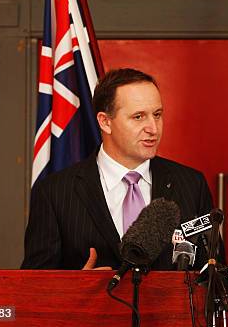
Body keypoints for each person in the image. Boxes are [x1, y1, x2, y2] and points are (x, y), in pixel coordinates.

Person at [21, 68, 215, 270]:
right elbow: (34, 287)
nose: (153, 128)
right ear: (105, 122)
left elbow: (213, 276)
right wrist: (76, 288)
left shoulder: (192, 184)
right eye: (138, 117)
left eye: (157, 115)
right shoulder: (55, 192)